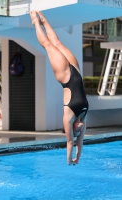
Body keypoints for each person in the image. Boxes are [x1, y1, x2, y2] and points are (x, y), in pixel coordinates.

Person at [30, 11, 89, 165]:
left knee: (48, 45)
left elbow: (71, 142)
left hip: (66, 76)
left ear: (70, 128)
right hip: (76, 71)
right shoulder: (83, 116)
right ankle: (44, 20)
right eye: (79, 131)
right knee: (59, 43)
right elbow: (79, 143)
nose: (79, 129)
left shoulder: (68, 117)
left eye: (76, 130)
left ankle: (36, 22)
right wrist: (78, 158)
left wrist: (70, 160)